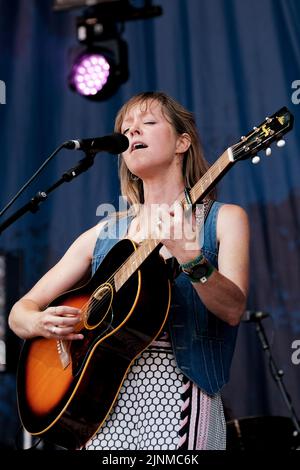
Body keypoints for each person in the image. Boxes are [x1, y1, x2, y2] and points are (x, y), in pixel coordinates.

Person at [9, 91, 249, 450]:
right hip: (99, 396)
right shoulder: (103, 234)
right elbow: (19, 312)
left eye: (148, 123)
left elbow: (232, 310)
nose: (133, 132)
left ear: (182, 141)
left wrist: (191, 259)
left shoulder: (223, 220)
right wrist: (39, 323)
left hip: (179, 388)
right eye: (126, 128)